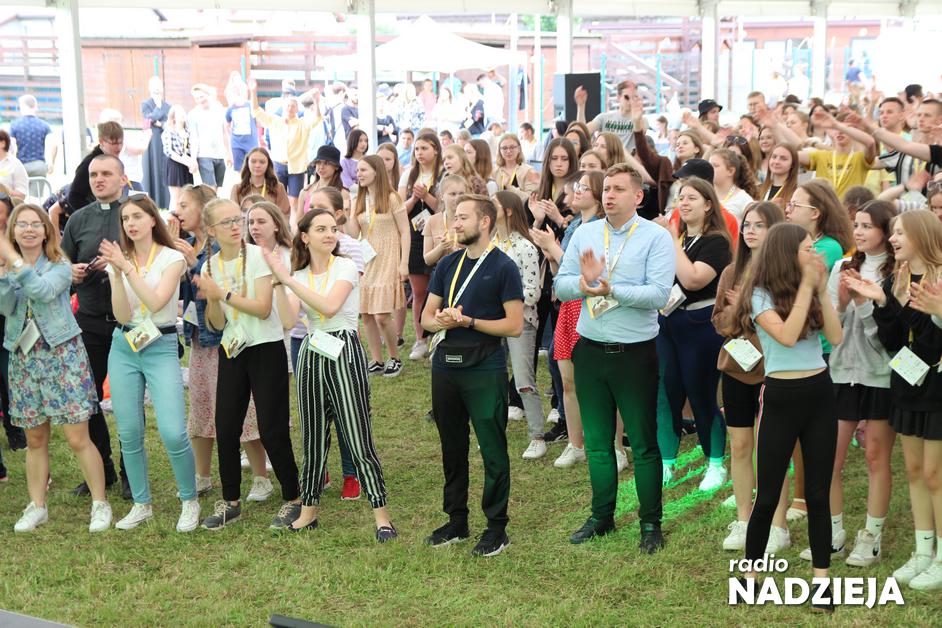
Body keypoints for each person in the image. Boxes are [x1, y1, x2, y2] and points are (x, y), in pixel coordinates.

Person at [555, 164, 675, 552]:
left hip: (635, 353)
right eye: (606, 188)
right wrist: (586, 285)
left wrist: (612, 289)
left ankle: (650, 522)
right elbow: (561, 286)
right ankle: (601, 516)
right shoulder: (586, 232)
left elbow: (659, 295)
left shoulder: (655, 237)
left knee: (642, 442)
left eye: (618, 189)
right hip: (590, 349)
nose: (609, 195)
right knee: (597, 443)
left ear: (638, 196)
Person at [729, 223, 842, 612]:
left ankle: (821, 583)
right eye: (808, 249)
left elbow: (836, 337)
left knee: (817, 493)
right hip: (780, 397)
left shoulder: (810, 289)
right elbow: (788, 336)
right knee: (767, 494)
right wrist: (810, 287)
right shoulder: (759, 293)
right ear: (786, 253)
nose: (815, 255)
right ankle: (751, 577)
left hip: (819, 393)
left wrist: (821, 290)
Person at [263, 209, 396, 540]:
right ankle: (308, 513)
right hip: (312, 352)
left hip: (344, 349)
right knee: (312, 436)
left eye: (333, 228)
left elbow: (329, 306)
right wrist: (279, 282)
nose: (329, 234)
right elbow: (288, 321)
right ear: (305, 237)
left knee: (357, 434)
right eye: (321, 229)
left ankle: (382, 515)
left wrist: (287, 279)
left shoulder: (346, 266)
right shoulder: (299, 274)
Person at [421, 193, 523, 557]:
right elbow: (426, 318)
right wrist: (443, 321)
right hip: (445, 366)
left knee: (492, 449)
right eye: (454, 217)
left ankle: (496, 528)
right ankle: (456, 521)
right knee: (452, 447)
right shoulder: (448, 264)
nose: (455, 223)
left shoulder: (504, 266)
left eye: (463, 217)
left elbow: (514, 325)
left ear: (485, 221)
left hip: (484, 367)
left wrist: (469, 321)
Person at [0, 204, 110, 533]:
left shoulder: (59, 265)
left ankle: (100, 503)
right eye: (22, 224)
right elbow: (6, 306)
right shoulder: (8, 267)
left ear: (47, 231)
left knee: (77, 437)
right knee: (35, 439)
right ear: (13, 231)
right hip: (24, 357)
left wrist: (13, 262)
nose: (29, 229)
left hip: (62, 355)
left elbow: (42, 291)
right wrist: (5, 273)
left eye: (36, 224)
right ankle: (37, 506)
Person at [193, 198, 301, 530]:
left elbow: (263, 309)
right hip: (233, 349)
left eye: (237, 219)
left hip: (266, 348)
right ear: (211, 230)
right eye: (226, 222)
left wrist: (222, 294)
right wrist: (214, 298)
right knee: (226, 426)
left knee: (271, 428)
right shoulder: (209, 266)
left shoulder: (257, 256)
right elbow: (215, 323)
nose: (235, 226)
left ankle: (294, 498)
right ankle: (231, 501)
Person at [800, 200, 897, 567]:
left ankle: (871, 537)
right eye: (857, 225)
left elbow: (888, 339)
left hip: (880, 376)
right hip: (841, 374)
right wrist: (841, 305)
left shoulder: (896, 272)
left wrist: (863, 305)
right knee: (829, 459)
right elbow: (832, 331)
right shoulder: (842, 266)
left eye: (868, 226)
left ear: (885, 231)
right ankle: (832, 532)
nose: (859, 232)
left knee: (875, 457)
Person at [849, 210, 942, 590]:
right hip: (907, 384)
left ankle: (941, 558)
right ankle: (922, 552)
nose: (893, 239)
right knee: (915, 472)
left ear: (922, 236)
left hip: (937, 388)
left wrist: (930, 311)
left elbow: (932, 342)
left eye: (901, 233)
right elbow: (892, 342)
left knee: (935, 474)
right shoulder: (896, 279)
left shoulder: (938, 280)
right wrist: (882, 303)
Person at [99, 195, 198, 532]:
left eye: (137, 216)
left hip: (160, 343)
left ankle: (190, 500)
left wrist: (126, 269)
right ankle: (141, 504)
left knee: (172, 431)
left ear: (153, 220)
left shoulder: (172, 258)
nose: (131, 223)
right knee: (128, 432)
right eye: (126, 218)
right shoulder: (121, 260)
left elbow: (156, 303)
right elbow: (122, 315)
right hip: (124, 344)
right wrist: (117, 275)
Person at [171, 184, 272, 502]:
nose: (177, 211)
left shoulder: (220, 250)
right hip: (201, 339)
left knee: (243, 411)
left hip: (231, 341)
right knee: (202, 407)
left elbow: (227, 291)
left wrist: (193, 264)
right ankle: (202, 476)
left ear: (204, 212)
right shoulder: (187, 246)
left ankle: (260, 477)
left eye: (184, 205)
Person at [711, 201, 785, 551]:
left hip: (775, 370)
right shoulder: (731, 272)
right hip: (737, 369)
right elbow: (719, 321)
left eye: (759, 225)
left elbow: (785, 327)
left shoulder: (784, 273)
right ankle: (744, 520)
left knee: (771, 450)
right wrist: (741, 313)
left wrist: (745, 306)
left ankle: (777, 525)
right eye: (747, 225)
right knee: (740, 446)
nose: (751, 231)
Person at [656, 177, 732, 490]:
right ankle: (666, 463)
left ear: (709, 205)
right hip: (667, 322)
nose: (684, 203)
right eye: (680, 198)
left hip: (701, 325)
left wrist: (670, 239)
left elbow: (693, 280)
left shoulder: (717, 242)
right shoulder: (680, 239)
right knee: (666, 392)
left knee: (700, 394)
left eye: (691, 198)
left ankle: (715, 464)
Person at [61, 154, 128, 498]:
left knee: (128, 401)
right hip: (88, 322)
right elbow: (60, 264)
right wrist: (70, 273)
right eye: (93, 174)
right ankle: (102, 467)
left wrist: (119, 265)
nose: (98, 180)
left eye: (106, 174)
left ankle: (131, 472)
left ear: (122, 178)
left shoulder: (134, 214)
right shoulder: (78, 219)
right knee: (86, 400)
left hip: (128, 324)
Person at [493, 192, 544, 459]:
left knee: (524, 381)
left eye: (494, 205)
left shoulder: (525, 247)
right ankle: (493, 433)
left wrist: (503, 299)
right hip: (492, 321)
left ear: (509, 211)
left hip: (520, 321)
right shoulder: (490, 244)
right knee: (492, 379)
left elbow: (533, 293)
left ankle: (537, 436)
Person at [347, 155, 409, 377]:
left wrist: (404, 262)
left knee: (382, 315)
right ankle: (377, 360)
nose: (359, 174)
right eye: (358, 170)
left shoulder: (392, 198)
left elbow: (405, 231)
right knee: (366, 314)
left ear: (376, 171)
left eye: (363, 170)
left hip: (388, 257)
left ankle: (394, 357)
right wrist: (348, 213)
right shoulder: (359, 199)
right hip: (366, 259)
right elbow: (354, 234)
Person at [399, 134, 443, 362]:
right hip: (415, 238)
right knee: (419, 292)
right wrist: (416, 199)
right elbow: (400, 211)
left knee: (441, 292)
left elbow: (444, 208)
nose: (419, 153)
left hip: (440, 236)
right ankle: (420, 340)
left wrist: (427, 195)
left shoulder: (443, 174)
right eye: (416, 149)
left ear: (436, 150)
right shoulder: (409, 174)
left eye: (424, 148)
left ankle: (439, 338)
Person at [252, 83, 321, 215]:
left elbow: (317, 118)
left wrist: (316, 101)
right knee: (276, 199)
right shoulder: (275, 121)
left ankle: (293, 224)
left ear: (297, 109)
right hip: (278, 166)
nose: (290, 108)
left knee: (294, 202)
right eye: (288, 105)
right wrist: (253, 91)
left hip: (297, 168)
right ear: (283, 107)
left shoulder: (302, 124)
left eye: (293, 106)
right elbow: (256, 111)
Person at [10, 95, 57, 194]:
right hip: (39, 166)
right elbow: (54, 145)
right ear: (35, 107)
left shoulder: (15, 125)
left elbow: (11, 146)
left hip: (21, 166)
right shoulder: (44, 125)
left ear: (22, 106)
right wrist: (51, 163)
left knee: (19, 197)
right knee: (36, 198)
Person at [188, 84, 231, 192]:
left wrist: (229, 154)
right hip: (204, 155)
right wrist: (193, 159)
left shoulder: (219, 109)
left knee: (217, 189)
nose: (200, 100)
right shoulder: (193, 114)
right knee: (210, 189)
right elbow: (194, 138)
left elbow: (224, 133)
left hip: (220, 155)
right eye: (197, 98)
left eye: (202, 96)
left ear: (208, 95)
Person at [574, 80, 638, 152]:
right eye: (627, 97)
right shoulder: (604, 118)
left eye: (634, 97)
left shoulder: (639, 121)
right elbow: (583, 132)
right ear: (618, 97)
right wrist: (581, 106)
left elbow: (641, 129)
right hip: (605, 158)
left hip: (627, 158)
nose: (630, 101)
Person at [229, 147, 291, 219]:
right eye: (253, 161)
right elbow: (233, 216)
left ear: (268, 164)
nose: (257, 165)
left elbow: (284, 215)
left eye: (262, 162)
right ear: (247, 163)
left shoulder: (278, 187)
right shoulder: (237, 189)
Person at [141, 77, 171, 209]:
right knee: (152, 168)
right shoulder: (146, 104)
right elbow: (148, 119)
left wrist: (160, 123)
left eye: (159, 86)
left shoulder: (168, 106)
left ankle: (164, 202)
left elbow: (169, 123)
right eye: (154, 86)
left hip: (164, 141)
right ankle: (152, 201)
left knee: (164, 168)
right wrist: (158, 110)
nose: (157, 89)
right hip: (152, 142)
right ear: (149, 88)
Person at [162, 105, 196, 212]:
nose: (182, 115)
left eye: (183, 113)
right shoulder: (169, 131)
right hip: (174, 165)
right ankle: (172, 219)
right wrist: (186, 162)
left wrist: (191, 162)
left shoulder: (188, 132)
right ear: (173, 118)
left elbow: (191, 149)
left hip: (186, 167)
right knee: (175, 197)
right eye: (179, 114)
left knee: (186, 197)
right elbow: (169, 152)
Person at [709, 149, 756, 224]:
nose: (709, 168)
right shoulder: (705, 194)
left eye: (715, 165)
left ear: (730, 171)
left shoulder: (743, 199)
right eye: (709, 165)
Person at [301, 145, 350, 214]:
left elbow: (344, 218)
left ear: (336, 167)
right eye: (318, 162)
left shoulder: (343, 194)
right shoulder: (306, 191)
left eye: (326, 163)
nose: (321, 167)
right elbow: (299, 219)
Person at [225, 81, 258, 172]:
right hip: (237, 144)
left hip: (251, 143)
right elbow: (227, 126)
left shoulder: (250, 105)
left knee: (253, 168)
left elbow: (258, 121)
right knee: (241, 170)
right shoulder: (230, 109)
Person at [0, 131, 28, 200]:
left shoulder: (15, 164)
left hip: (7, 204)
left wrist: (4, 190)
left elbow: (22, 195)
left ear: (3, 144)